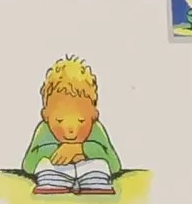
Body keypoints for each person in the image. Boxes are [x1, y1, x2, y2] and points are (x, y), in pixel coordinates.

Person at [20, 55, 123, 195]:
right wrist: (59, 150)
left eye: (81, 121)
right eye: (59, 120)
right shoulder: (44, 129)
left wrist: (81, 149)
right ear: (46, 115)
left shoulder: (96, 129)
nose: (71, 132)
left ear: (94, 115)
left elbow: (115, 165)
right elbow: (28, 165)